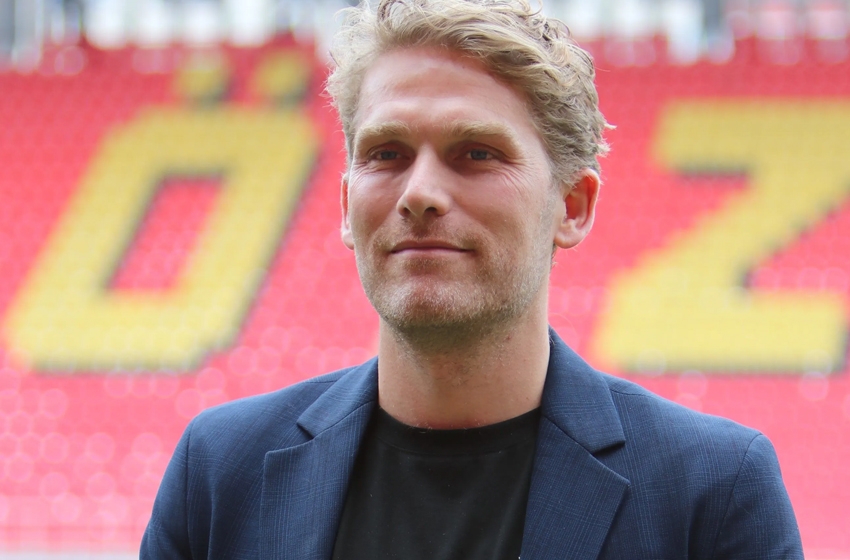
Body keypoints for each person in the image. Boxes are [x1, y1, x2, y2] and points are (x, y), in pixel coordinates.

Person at [141, 1, 803, 558]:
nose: (419, 193)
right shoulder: (219, 474)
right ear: (345, 205)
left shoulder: (711, 493)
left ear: (572, 206)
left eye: (476, 153)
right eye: (387, 154)